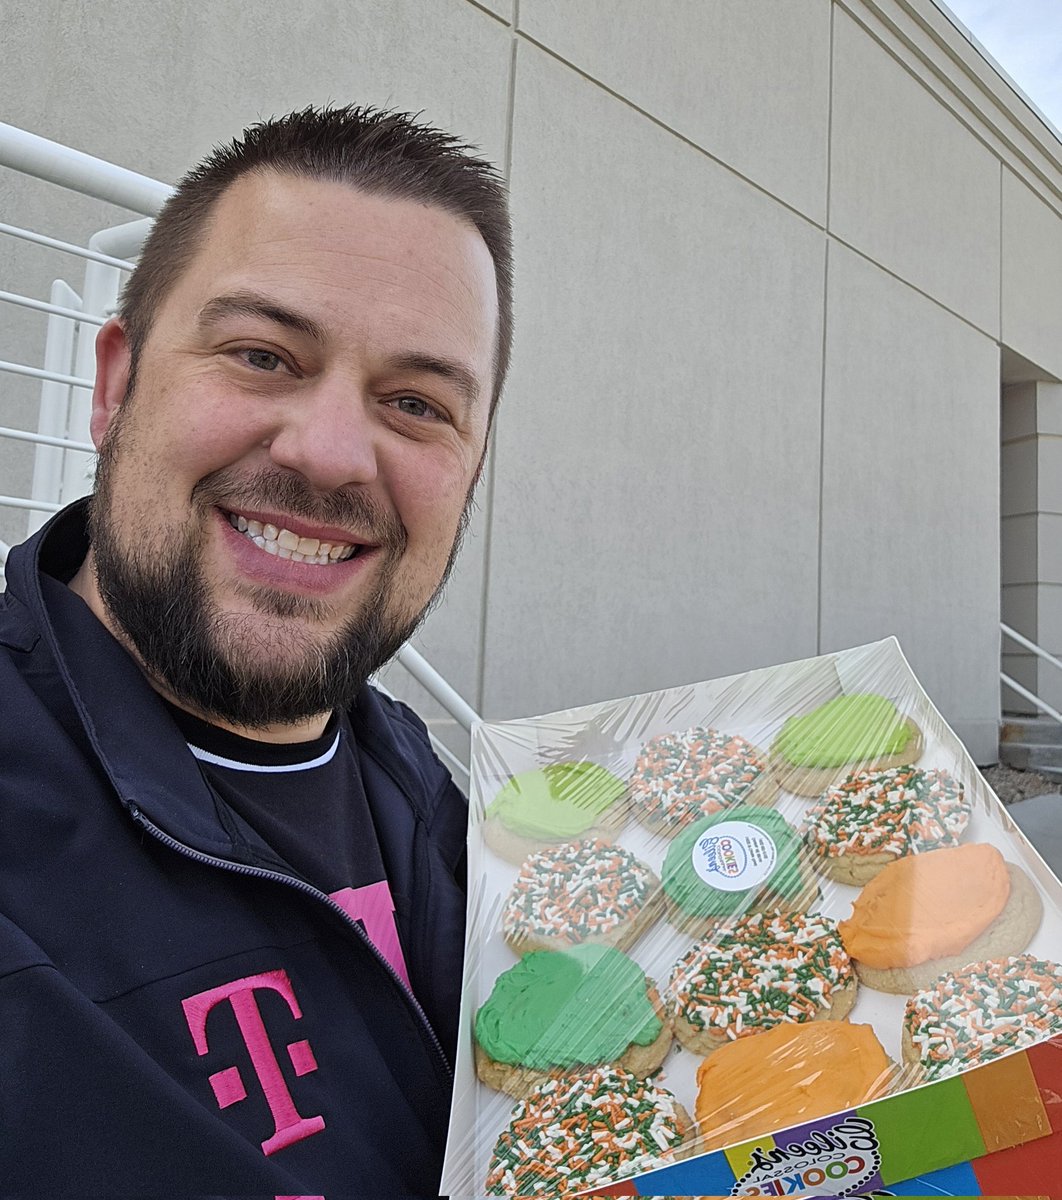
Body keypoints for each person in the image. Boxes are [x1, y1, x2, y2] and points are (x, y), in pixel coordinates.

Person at [0, 105, 512, 1197]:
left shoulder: (424, 787)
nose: (330, 455)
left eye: (417, 404)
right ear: (114, 385)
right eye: (262, 354)